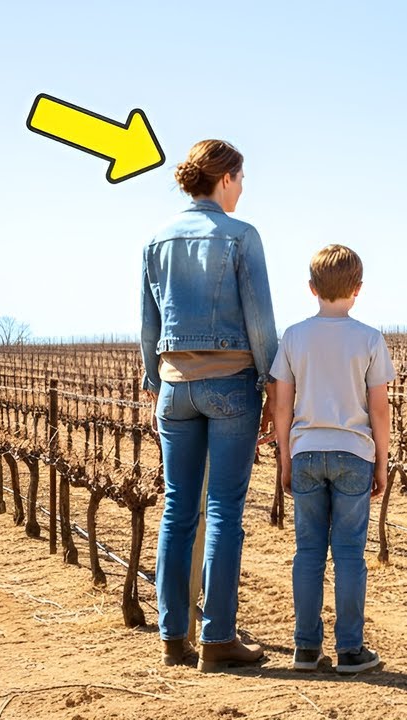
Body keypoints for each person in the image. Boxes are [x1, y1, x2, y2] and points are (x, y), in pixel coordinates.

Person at [140, 139, 278, 672]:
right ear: (225, 179)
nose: (243, 188)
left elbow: (148, 321)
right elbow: (259, 320)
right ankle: (218, 639)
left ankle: (172, 638)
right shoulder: (241, 236)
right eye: (241, 178)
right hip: (230, 384)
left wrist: (154, 379)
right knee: (223, 511)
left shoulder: (157, 239)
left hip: (174, 386)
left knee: (177, 510)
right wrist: (270, 384)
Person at [269, 244, 393, 674]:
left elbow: (281, 407)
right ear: (358, 289)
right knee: (349, 554)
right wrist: (381, 463)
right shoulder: (370, 339)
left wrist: (286, 459)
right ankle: (350, 650)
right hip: (354, 454)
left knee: (307, 552)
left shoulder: (293, 337)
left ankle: (305, 649)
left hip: (305, 452)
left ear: (311, 288)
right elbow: (379, 409)